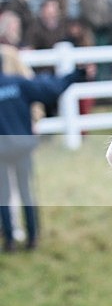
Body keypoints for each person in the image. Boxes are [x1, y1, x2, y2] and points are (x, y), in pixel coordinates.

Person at [0, 67, 86, 251]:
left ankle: (9, 241)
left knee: (3, 195)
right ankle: (32, 238)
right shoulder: (18, 84)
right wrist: (75, 75)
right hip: (22, 147)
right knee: (26, 192)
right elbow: (50, 89)